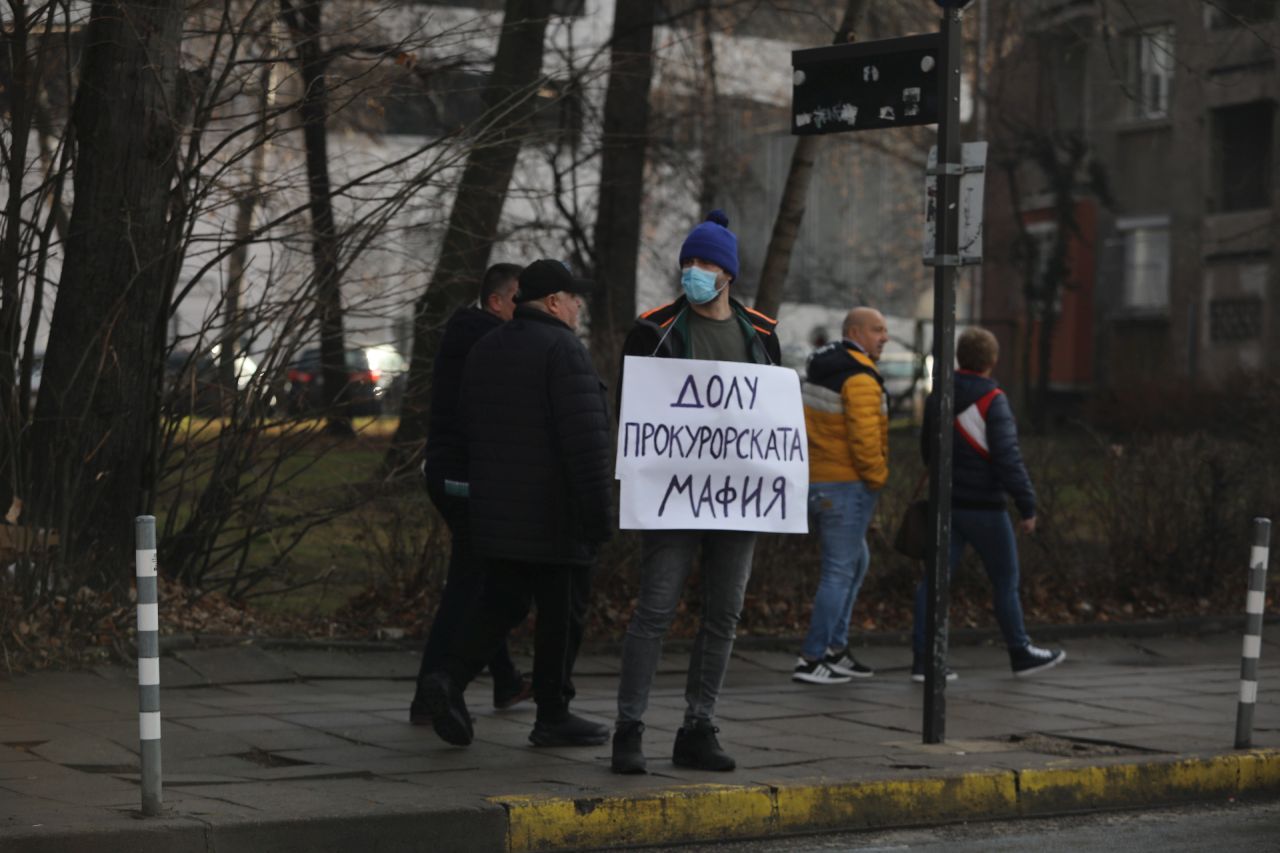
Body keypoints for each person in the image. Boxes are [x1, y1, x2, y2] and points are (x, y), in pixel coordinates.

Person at [611, 210, 782, 775]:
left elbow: (773, 416)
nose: (695, 271)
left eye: (706, 262)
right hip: (671, 496)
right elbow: (632, 413)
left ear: (728, 272)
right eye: (688, 261)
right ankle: (628, 730)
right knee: (654, 610)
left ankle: (697, 727)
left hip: (737, 497)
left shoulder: (761, 332)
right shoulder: (654, 328)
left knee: (724, 613)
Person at [419, 259, 614, 748]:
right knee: (561, 613)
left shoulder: (487, 346)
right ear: (553, 302)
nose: (578, 308)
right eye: (573, 299)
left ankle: (448, 679)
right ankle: (553, 714)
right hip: (555, 514)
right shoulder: (564, 350)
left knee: (500, 602)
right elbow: (585, 443)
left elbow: (471, 425)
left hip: (497, 511)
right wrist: (600, 517)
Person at [410, 263, 530, 724]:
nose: (524, 308)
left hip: (452, 474)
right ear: (497, 302)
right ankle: (428, 695)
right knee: (467, 587)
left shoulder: (472, 333)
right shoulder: (485, 339)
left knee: (484, 581)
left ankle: (505, 679)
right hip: (463, 479)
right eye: (518, 298)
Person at [910, 327, 1065, 681]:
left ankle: (924, 661)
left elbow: (926, 452)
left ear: (960, 357)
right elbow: (1007, 459)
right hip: (984, 509)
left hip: (945, 505)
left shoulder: (939, 396)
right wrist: (1027, 506)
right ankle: (1020, 652)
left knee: (933, 583)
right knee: (1005, 580)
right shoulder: (993, 400)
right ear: (992, 361)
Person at [792, 308, 890, 685]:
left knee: (855, 562)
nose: (884, 337)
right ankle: (811, 657)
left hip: (818, 481)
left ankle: (835, 648)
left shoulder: (824, 368)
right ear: (855, 332)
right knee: (838, 570)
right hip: (847, 485)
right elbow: (866, 441)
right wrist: (878, 478)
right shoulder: (860, 377)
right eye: (877, 330)